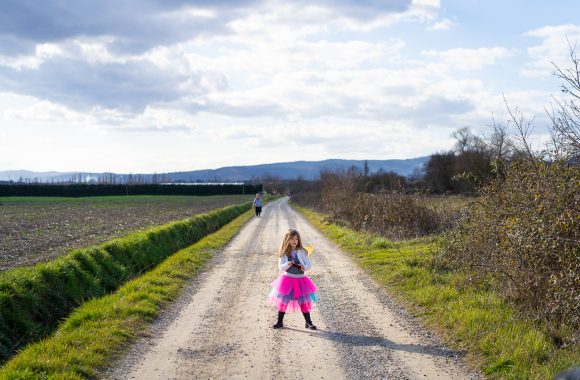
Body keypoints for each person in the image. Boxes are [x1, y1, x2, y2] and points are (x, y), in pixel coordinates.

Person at [268, 228, 318, 329]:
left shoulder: (302, 251)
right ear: (287, 240)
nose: (294, 241)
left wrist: (305, 266)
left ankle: (308, 322)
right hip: (288, 280)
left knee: (303, 302)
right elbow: (281, 267)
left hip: (301, 280)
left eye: (296, 239)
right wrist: (288, 264)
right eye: (292, 239)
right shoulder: (284, 253)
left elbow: (308, 263)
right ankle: (279, 322)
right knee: (283, 301)